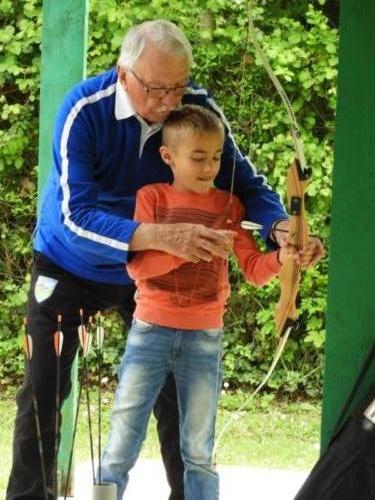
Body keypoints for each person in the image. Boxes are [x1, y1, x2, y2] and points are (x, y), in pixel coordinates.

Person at [6, 19, 324, 500]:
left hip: (158, 277)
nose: (169, 102)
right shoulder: (83, 110)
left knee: (177, 400)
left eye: (179, 86)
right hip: (72, 263)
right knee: (42, 393)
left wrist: (281, 227)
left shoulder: (195, 107)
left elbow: (244, 185)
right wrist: (157, 235)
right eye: (156, 88)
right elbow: (75, 213)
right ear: (123, 73)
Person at [100, 104, 294, 500]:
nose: (209, 168)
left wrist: (285, 256)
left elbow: (256, 271)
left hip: (204, 337)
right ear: (168, 156)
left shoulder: (230, 206)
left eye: (217, 158)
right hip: (149, 331)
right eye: (198, 158)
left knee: (199, 448)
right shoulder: (151, 197)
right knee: (123, 437)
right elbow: (138, 270)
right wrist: (186, 248)